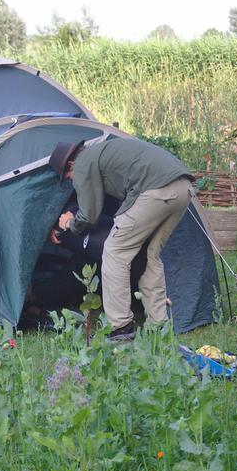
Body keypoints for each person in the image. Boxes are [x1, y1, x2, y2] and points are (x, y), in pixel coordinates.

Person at [48, 137, 195, 341]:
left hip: (154, 190)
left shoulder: (83, 163)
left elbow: (89, 214)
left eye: (69, 177)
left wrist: (69, 224)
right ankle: (159, 325)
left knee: (115, 251)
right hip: (183, 188)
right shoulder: (101, 152)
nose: (73, 181)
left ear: (71, 165)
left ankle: (121, 327)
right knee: (149, 255)